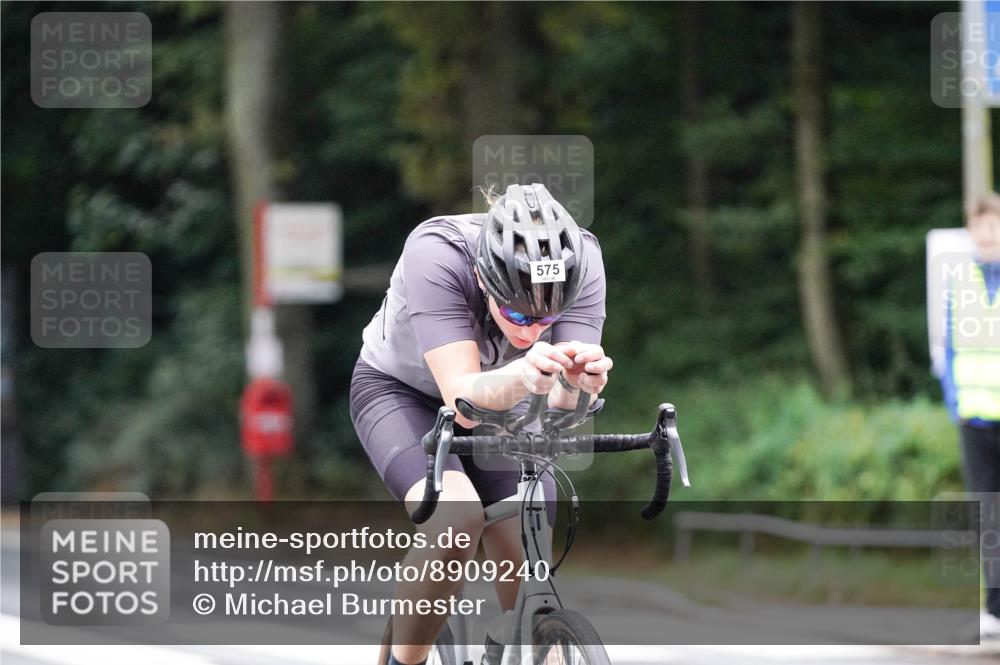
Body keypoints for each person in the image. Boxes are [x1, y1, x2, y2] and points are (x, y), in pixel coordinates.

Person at [350, 183, 612, 665]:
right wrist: (522, 373)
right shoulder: (436, 253)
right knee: (456, 522)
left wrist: (579, 386)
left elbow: (560, 411)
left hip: (510, 400)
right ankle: (402, 661)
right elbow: (462, 399)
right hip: (404, 392)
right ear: (483, 277)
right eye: (515, 311)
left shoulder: (583, 262)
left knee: (524, 534)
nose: (530, 330)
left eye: (547, 317)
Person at [939, 193, 1000, 640]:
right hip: (976, 420)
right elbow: (949, 350)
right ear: (971, 230)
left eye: (994, 224)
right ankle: (996, 610)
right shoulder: (960, 282)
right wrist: (955, 404)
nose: (988, 232)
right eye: (981, 225)